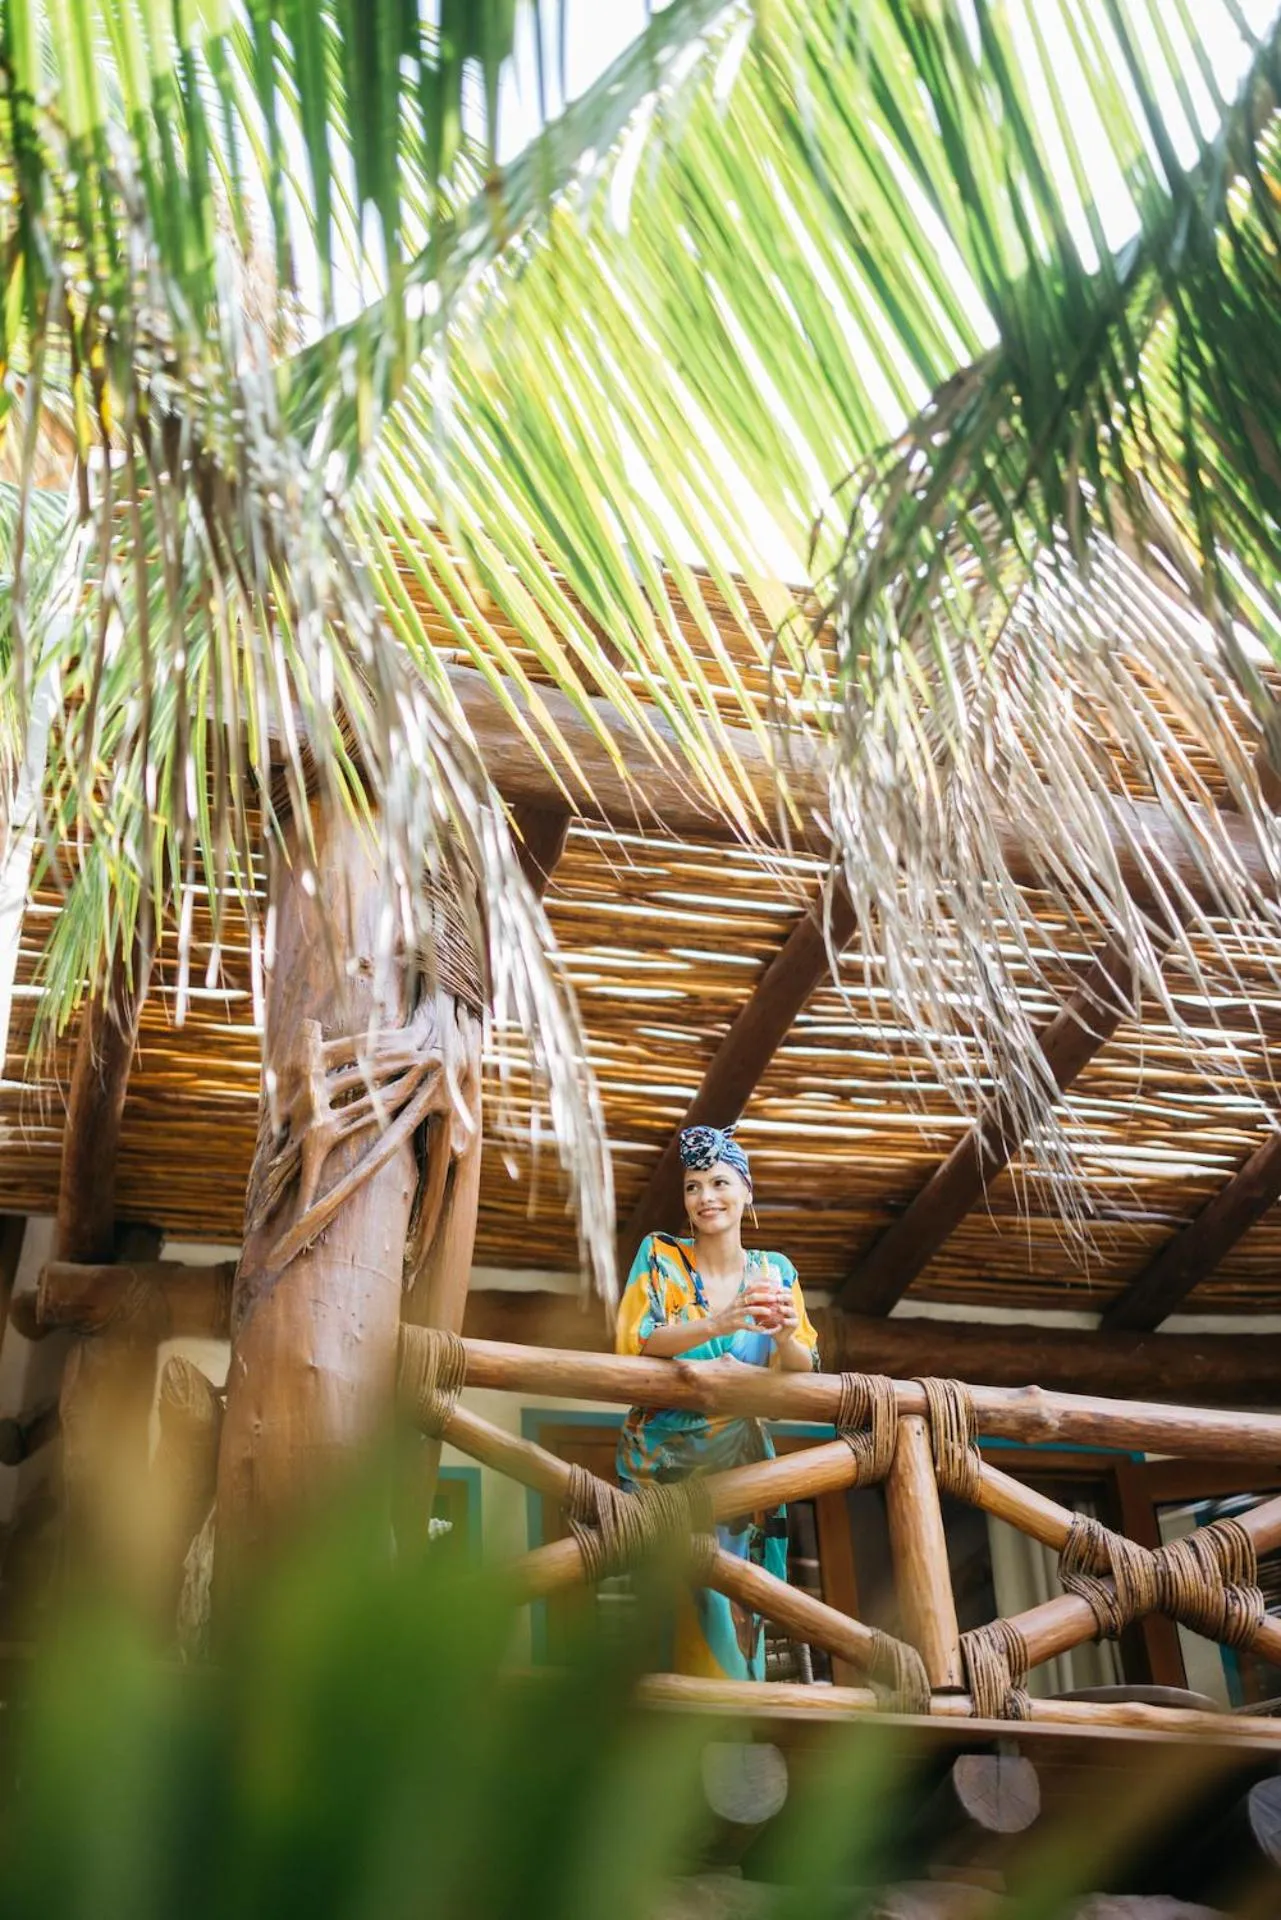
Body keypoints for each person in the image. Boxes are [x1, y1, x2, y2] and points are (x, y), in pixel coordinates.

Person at [614, 1123, 820, 1680]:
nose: (705, 1197)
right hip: (662, 1462)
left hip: (743, 1466)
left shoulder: (775, 1271)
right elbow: (636, 1340)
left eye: (719, 1182)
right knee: (679, 1603)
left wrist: (784, 1337)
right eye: (693, 1187)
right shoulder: (660, 1255)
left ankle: (739, 1716)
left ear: (747, 1191)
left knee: (740, 1604)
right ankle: (676, 1715)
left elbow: (803, 1365)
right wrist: (720, 1322)